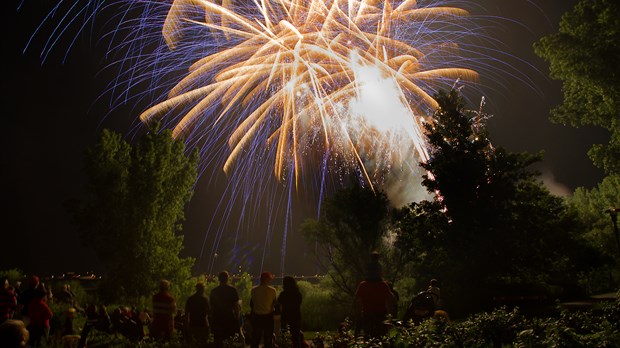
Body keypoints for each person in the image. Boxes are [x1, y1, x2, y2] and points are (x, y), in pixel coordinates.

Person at [210, 271, 242, 348]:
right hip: (229, 318)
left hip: (217, 319)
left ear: (219, 279)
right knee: (230, 341)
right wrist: (237, 317)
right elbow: (236, 306)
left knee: (218, 341)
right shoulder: (232, 290)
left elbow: (211, 307)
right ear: (227, 279)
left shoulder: (214, 291)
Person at [250, 272, 277, 348]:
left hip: (257, 316)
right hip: (268, 316)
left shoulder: (254, 290)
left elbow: (252, 303)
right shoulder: (272, 290)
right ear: (267, 279)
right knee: (268, 338)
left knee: (256, 337)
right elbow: (274, 303)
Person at [277, 276, 302, 348]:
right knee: (296, 337)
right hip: (296, 316)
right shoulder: (298, 294)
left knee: (283, 336)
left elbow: (279, 303)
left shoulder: (283, 294)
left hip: (285, 316)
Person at [185, 282, 210, 347]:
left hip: (193, 324)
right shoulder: (205, 299)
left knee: (193, 344)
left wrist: (187, 324)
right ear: (202, 289)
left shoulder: (190, 299)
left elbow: (186, 312)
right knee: (203, 343)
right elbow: (209, 312)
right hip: (203, 324)